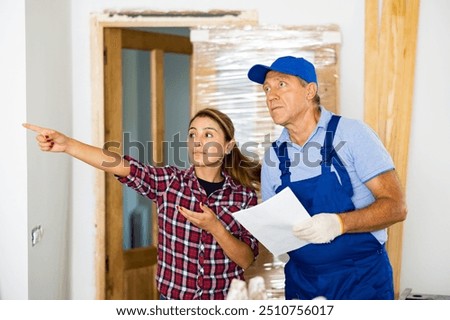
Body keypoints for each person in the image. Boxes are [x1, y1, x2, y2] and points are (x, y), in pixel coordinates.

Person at [23, 107, 261, 300]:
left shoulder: (244, 196)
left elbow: (246, 259)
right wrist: (68, 145)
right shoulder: (170, 182)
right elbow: (122, 165)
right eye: (192, 134)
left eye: (208, 134)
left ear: (228, 146)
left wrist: (216, 228)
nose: (198, 141)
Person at [247, 56, 407, 300]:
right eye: (266, 89)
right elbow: (276, 228)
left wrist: (339, 224)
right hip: (303, 286)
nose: (270, 95)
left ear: (309, 91)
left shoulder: (352, 134)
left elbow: (396, 207)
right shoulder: (273, 158)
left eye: (281, 85)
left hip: (361, 282)